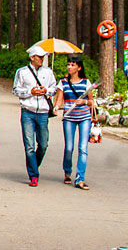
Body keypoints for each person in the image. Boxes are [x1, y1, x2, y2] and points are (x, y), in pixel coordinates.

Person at [13, 47, 57, 186]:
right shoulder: (22, 72)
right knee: (29, 145)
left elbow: (54, 88)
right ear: (32, 57)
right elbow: (16, 90)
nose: (41, 59)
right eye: (39, 56)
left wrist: (46, 90)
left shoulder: (48, 72)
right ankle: (33, 175)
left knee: (43, 144)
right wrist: (30, 92)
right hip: (28, 110)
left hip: (43, 112)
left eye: (43, 56)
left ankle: (34, 164)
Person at [53, 55, 93, 190]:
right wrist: (57, 107)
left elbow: (92, 101)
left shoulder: (86, 83)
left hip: (84, 117)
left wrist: (85, 101)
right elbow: (60, 99)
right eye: (68, 64)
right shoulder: (63, 82)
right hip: (69, 117)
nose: (69, 67)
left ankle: (80, 178)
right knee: (69, 147)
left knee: (83, 148)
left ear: (79, 67)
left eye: (73, 65)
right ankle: (67, 171)